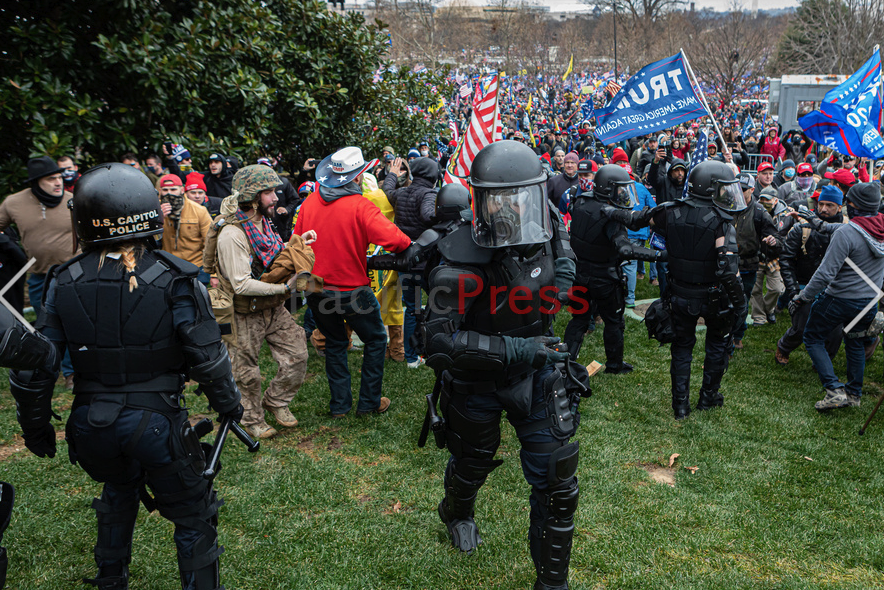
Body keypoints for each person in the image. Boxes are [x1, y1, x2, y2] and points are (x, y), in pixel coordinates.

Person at [9, 162, 243, 589]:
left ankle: (111, 578)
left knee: (118, 489)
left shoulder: (64, 279)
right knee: (194, 511)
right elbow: (208, 357)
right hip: (155, 424)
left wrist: (35, 428)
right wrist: (230, 405)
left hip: (90, 425)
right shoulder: (177, 278)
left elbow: (35, 366)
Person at [421, 139, 586, 590]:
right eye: (499, 200)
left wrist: (565, 276)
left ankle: (552, 584)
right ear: (479, 200)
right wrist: (518, 351)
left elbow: (562, 243)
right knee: (472, 461)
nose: (511, 209)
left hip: (537, 373)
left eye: (521, 197)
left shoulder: (545, 217)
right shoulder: (459, 257)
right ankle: (456, 511)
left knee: (558, 485)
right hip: (478, 379)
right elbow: (437, 343)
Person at [609, 160, 748, 419]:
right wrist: (741, 305)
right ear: (711, 189)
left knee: (682, 348)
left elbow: (636, 220)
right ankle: (707, 399)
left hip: (679, 295)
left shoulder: (669, 211)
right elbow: (728, 270)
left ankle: (680, 407)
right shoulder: (721, 221)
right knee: (716, 346)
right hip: (713, 296)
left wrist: (606, 210)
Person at [293, 147, 412, 418]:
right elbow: (398, 241)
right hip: (351, 290)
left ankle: (340, 406)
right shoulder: (361, 206)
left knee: (335, 343)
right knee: (375, 339)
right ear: (357, 177)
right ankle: (369, 403)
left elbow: (298, 241)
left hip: (315, 288)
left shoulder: (310, 202)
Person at [213, 165, 312, 439]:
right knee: (246, 371)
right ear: (253, 197)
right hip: (243, 311)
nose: (276, 197)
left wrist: (297, 243)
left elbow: (271, 255)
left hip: (272, 305)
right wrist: (285, 286)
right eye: (268, 192)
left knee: (298, 355)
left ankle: (276, 401)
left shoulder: (263, 221)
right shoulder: (232, 234)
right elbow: (241, 284)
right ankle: (252, 418)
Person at [791, 183, 884, 411]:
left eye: (848, 203)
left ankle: (833, 389)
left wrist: (803, 297)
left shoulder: (846, 233)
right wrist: (816, 223)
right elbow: (849, 230)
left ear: (854, 207)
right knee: (854, 341)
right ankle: (854, 393)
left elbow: (824, 274)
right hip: (870, 302)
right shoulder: (879, 228)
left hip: (839, 299)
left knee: (812, 338)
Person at [566, 164, 664, 372]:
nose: (623, 194)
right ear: (608, 188)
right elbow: (626, 250)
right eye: (619, 189)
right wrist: (659, 255)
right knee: (613, 321)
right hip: (604, 277)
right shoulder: (608, 215)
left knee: (579, 320)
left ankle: (565, 360)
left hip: (580, 273)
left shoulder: (582, 201)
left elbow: (629, 219)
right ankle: (614, 364)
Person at [0, 156, 76, 386]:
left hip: (73, 274)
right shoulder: (14, 203)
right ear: (36, 182)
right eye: (51, 178)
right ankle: (47, 372)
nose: (58, 182)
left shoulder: (74, 201)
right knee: (45, 328)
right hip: (39, 277)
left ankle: (72, 374)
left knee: (75, 324)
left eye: (59, 177)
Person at [776, 186, 845, 365]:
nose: (823, 209)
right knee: (801, 327)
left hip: (834, 289)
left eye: (829, 205)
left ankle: (823, 362)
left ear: (839, 206)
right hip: (804, 285)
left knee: (835, 331)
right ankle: (783, 347)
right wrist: (792, 291)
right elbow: (786, 260)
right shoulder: (801, 229)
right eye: (820, 204)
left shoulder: (846, 231)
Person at [383, 156, 440, 369]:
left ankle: (411, 357)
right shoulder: (428, 194)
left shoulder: (401, 193)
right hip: (426, 265)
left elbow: (387, 193)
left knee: (412, 308)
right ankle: (433, 350)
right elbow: (427, 216)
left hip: (404, 263)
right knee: (437, 307)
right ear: (433, 176)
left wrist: (392, 175)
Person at [731, 173, 780, 349]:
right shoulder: (726, 207)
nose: (738, 192)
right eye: (736, 188)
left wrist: (771, 241)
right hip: (726, 263)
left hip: (748, 266)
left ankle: (737, 335)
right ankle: (728, 333)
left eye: (743, 189)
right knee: (725, 300)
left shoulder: (760, 212)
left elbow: (775, 237)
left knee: (742, 301)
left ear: (752, 190)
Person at [157, 174, 214, 286]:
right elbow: (149, 240)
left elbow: (212, 242)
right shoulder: (155, 209)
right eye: (165, 190)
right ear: (160, 191)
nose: (169, 193)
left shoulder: (199, 211)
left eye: (173, 189)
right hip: (168, 265)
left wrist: (214, 274)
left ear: (182, 190)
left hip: (195, 266)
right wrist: (159, 219)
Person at [750, 187, 792, 325]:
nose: (763, 202)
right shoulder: (755, 212)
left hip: (775, 257)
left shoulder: (787, 215)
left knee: (777, 288)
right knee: (755, 289)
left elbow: (789, 237)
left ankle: (768, 309)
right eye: (761, 199)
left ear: (775, 200)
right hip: (757, 255)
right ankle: (759, 317)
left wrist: (776, 242)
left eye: (767, 199)